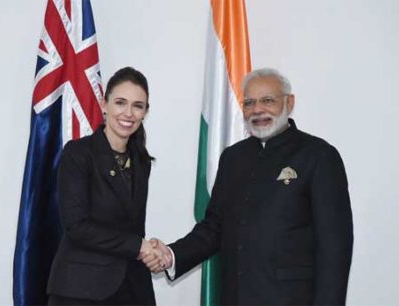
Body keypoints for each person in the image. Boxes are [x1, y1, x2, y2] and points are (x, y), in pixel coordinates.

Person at [145, 68, 354, 305]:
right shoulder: (233, 158)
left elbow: (335, 248)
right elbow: (214, 228)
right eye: (249, 103)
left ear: (290, 102)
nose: (257, 110)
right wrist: (171, 255)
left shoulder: (318, 156)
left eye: (268, 101)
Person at [47, 67, 161, 305]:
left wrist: (150, 251)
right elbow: (76, 226)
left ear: (145, 112)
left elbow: (132, 227)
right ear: (104, 104)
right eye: (120, 102)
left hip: (131, 287)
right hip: (81, 290)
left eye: (138, 106)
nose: (128, 113)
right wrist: (138, 246)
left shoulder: (141, 162)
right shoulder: (78, 154)